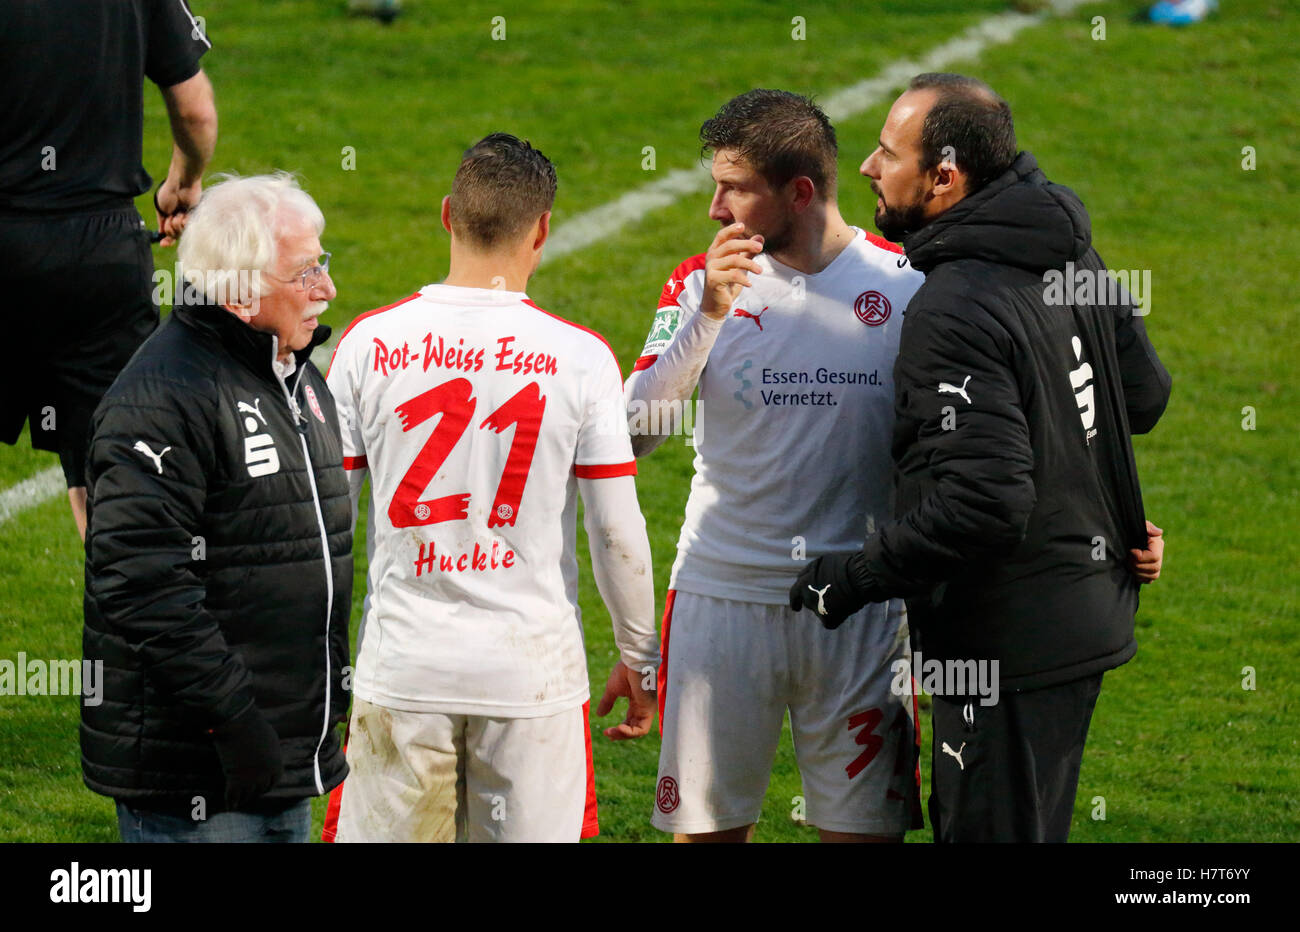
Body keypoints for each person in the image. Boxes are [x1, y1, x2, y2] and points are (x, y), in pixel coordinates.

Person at [793, 72, 1171, 842]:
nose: (868, 166)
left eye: (887, 152)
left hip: (1007, 642)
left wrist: (853, 576)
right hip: (1083, 613)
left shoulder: (955, 303)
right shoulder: (1067, 248)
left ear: (944, 177)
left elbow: (985, 503)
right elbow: (1139, 395)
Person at [325, 133, 659, 843]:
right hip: (530, 681)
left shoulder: (365, 344)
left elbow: (324, 524)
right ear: (542, 229)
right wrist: (639, 655)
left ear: (447, 215)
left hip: (403, 670)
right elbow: (616, 531)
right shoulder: (580, 357)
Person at [627, 90, 925, 843]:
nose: (712, 208)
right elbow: (635, 435)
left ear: (798, 192)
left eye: (733, 188)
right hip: (721, 598)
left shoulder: (908, 282)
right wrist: (709, 316)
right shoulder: (698, 282)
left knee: (862, 836)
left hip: (861, 608)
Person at [81, 173, 352, 843]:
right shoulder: (162, 400)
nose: (327, 289)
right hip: (200, 777)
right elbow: (141, 584)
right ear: (240, 292)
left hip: (278, 759)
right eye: (305, 272)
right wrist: (234, 720)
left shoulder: (293, 374)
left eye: (324, 263)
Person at [0, 0, 217, 539]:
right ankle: (121, 617)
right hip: (99, 255)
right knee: (111, 470)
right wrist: (183, 183)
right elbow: (195, 112)